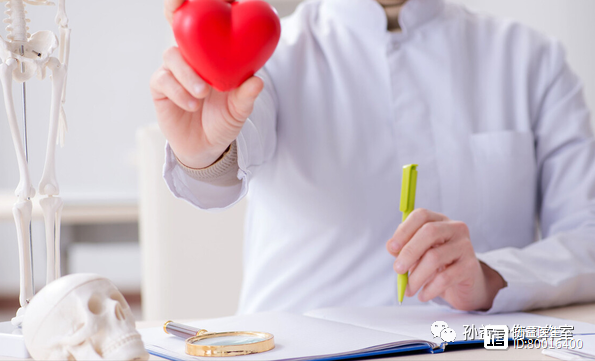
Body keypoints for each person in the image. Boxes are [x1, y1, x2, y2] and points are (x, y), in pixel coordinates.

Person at [150, 0, 595, 314]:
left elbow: (588, 240)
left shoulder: (532, 59)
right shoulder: (272, 52)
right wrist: (205, 151)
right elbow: (226, 166)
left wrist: (491, 276)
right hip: (295, 347)